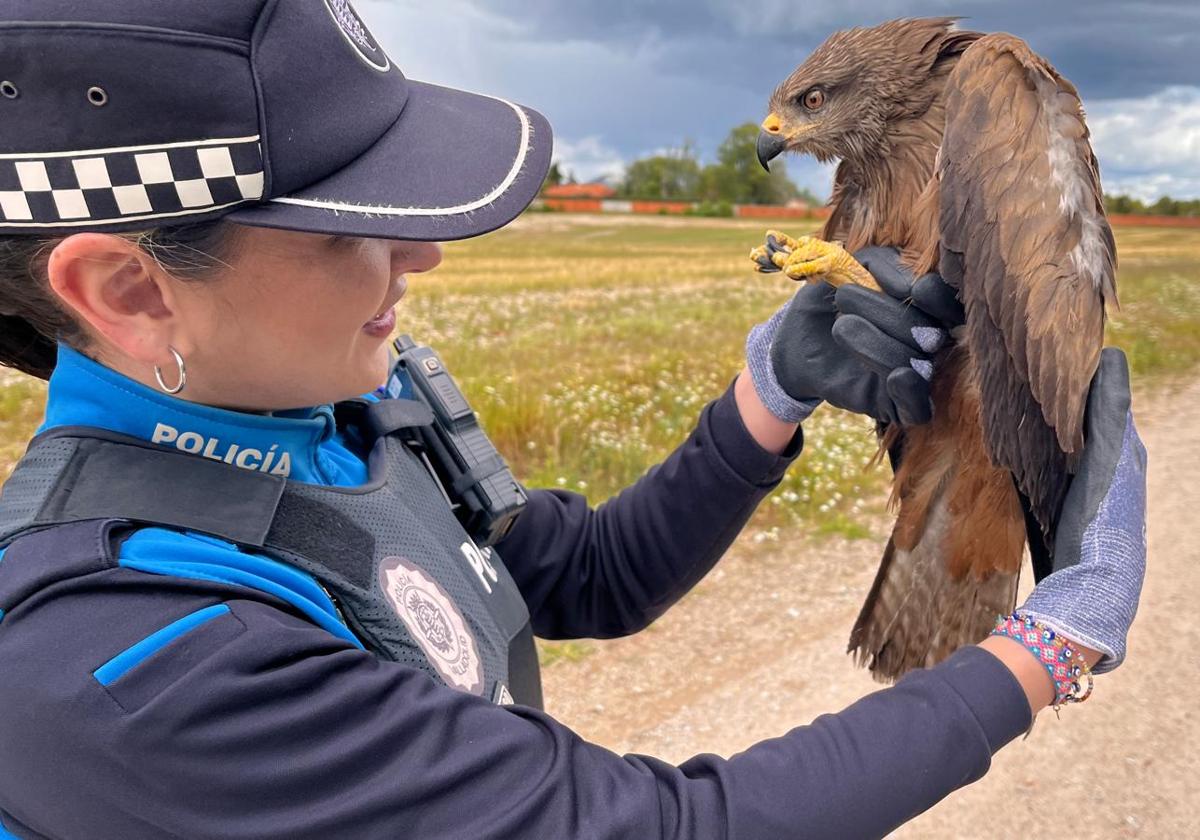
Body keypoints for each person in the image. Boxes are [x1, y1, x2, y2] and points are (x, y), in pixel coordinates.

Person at [0, 2, 1146, 838]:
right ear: (130, 292)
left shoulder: (333, 411)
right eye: (350, 223)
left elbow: (584, 576)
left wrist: (772, 387)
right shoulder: (122, 654)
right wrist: (1052, 641)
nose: (425, 253)